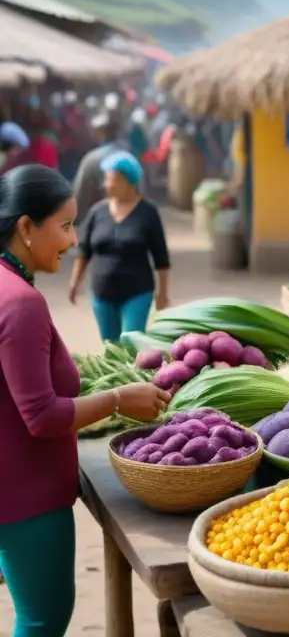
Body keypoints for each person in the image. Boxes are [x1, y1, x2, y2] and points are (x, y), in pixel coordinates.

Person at [0, 164, 170, 636]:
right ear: (26, 227)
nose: (76, 240)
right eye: (66, 225)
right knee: (42, 619)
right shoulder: (19, 302)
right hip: (26, 499)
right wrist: (118, 398)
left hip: (10, 491)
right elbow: (40, 416)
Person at [69, 151, 171, 342]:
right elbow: (84, 251)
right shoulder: (97, 212)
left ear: (129, 182)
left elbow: (161, 257)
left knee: (131, 343)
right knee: (111, 347)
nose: (107, 185)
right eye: (106, 179)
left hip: (137, 292)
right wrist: (75, 282)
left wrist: (163, 293)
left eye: (113, 180)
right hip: (102, 293)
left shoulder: (148, 213)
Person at [71, 112, 128, 224]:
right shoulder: (128, 156)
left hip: (101, 224)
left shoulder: (92, 159)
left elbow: (81, 196)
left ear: (100, 133)